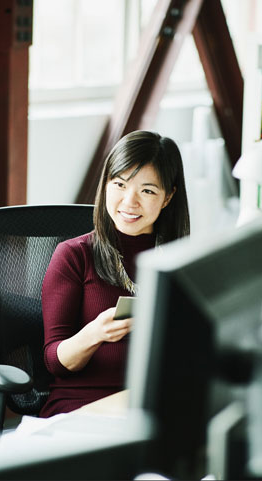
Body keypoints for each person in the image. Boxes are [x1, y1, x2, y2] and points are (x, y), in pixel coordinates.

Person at [39, 130, 190, 417]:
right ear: (105, 185)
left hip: (153, 401)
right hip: (84, 405)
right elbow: (56, 361)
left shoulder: (179, 258)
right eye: (119, 184)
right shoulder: (74, 255)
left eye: (147, 191)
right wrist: (95, 333)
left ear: (168, 197)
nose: (129, 202)